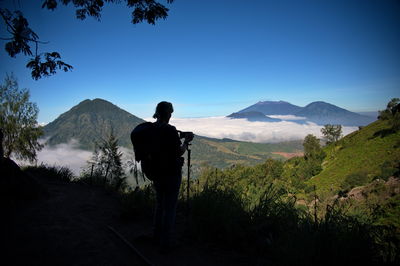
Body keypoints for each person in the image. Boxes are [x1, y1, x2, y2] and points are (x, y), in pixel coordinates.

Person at [150, 101, 193, 251]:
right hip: (171, 173)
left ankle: (156, 236)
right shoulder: (170, 129)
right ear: (168, 113)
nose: (170, 115)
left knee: (160, 204)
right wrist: (186, 141)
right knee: (170, 208)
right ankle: (166, 243)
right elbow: (178, 151)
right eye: (171, 113)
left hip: (156, 172)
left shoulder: (151, 128)